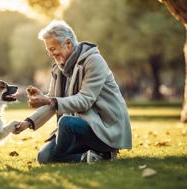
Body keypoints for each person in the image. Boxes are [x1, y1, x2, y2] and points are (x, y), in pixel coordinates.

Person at [13, 20, 132, 164]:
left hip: (103, 130)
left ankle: (102, 151)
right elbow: (51, 101)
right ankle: (92, 157)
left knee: (66, 123)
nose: (50, 54)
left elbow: (85, 100)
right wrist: (27, 123)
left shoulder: (94, 61)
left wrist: (49, 100)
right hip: (79, 128)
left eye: (52, 49)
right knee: (43, 157)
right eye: (48, 50)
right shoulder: (59, 68)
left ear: (68, 43)